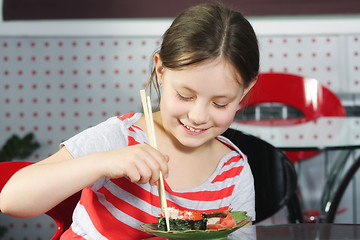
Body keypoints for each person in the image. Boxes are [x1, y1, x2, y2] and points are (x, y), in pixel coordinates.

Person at [0, 2, 259, 239]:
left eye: (220, 103)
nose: (199, 116)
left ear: (243, 93)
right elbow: (12, 199)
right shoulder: (120, 138)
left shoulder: (233, 172)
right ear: (160, 72)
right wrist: (103, 163)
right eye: (184, 95)